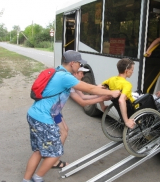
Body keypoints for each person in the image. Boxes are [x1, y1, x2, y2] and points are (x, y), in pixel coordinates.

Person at [22, 50, 120, 182]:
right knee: (55, 153)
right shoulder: (66, 77)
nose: (80, 66)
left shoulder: (60, 72)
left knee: (39, 151)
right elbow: (89, 89)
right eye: (79, 64)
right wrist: (112, 92)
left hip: (34, 115)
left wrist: (103, 96)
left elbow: (81, 99)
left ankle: (26, 180)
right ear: (72, 63)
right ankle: (37, 178)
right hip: (43, 119)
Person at [102, 58, 136, 129]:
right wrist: (126, 121)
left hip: (120, 104)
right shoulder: (127, 84)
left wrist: (102, 106)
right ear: (127, 71)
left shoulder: (111, 79)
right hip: (133, 107)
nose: (132, 72)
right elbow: (121, 100)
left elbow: (99, 89)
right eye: (132, 70)